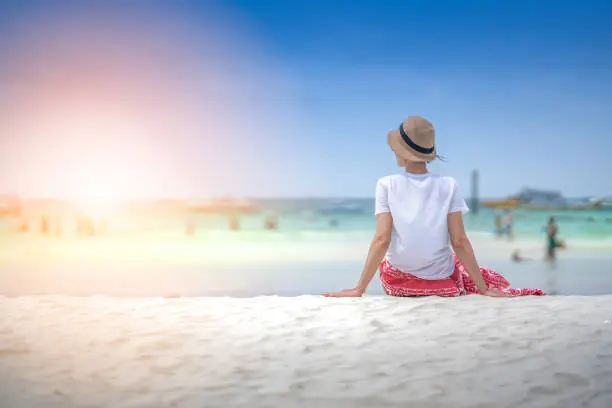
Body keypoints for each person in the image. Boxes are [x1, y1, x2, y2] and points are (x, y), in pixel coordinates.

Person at [323, 116, 544, 298]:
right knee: (458, 263)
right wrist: (483, 289)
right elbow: (459, 241)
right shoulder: (449, 185)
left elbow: (382, 240)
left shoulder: (386, 184)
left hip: (398, 281)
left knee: (412, 263)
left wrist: (359, 289)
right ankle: (476, 283)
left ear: (402, 152)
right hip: (442, 280)